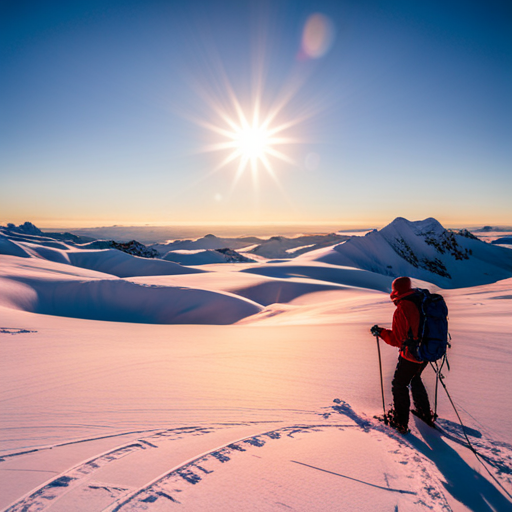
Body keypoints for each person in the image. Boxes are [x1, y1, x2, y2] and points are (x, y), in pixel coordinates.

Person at [371, 276, 434, 434]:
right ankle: (424, 413)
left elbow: (397, 339)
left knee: (399, 384)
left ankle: (400, 422)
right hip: (426, 350)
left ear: (396, 292)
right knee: (415, 378)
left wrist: (381, 333)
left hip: (411, 354)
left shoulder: (403, 307)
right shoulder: (420, 299)